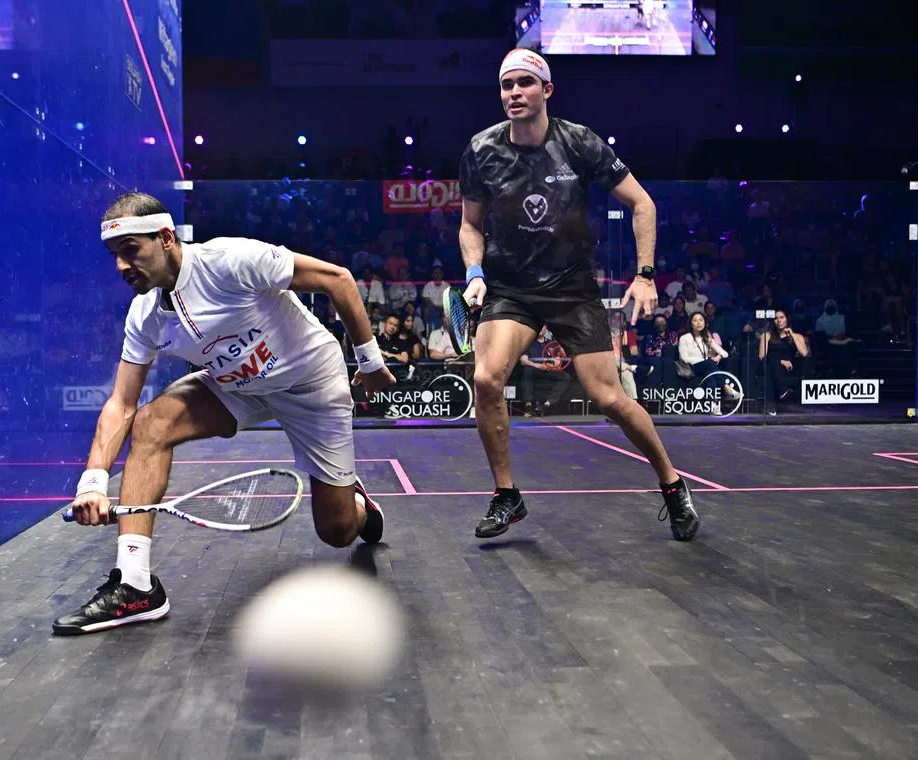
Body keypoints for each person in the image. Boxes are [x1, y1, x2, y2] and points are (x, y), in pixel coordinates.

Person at [53, 193, 396, 635]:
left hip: (311, 385)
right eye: (114, 256)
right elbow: (121, 402)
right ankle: (136, 584)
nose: (121, 266)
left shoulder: (231, 260)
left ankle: (357, 506)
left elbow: (338, 279)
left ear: (164, 237)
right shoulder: (145, 316)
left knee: (337, 532)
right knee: (151, 423)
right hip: (239, 388)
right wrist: (94, 481)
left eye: (130, 251)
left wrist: (369, 364)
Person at [457, 48, 700, 541]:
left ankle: (673, 487)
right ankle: (508, 496)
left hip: (571, 286)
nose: (514, 93)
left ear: (547, 90)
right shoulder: (481, 150)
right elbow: (469, 224)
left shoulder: (580, 143)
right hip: (510, 288)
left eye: (525, 83)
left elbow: (642, 203)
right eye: (507, 85)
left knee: (608, 397)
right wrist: (475, 271)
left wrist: (645, 275)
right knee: (486, 378)